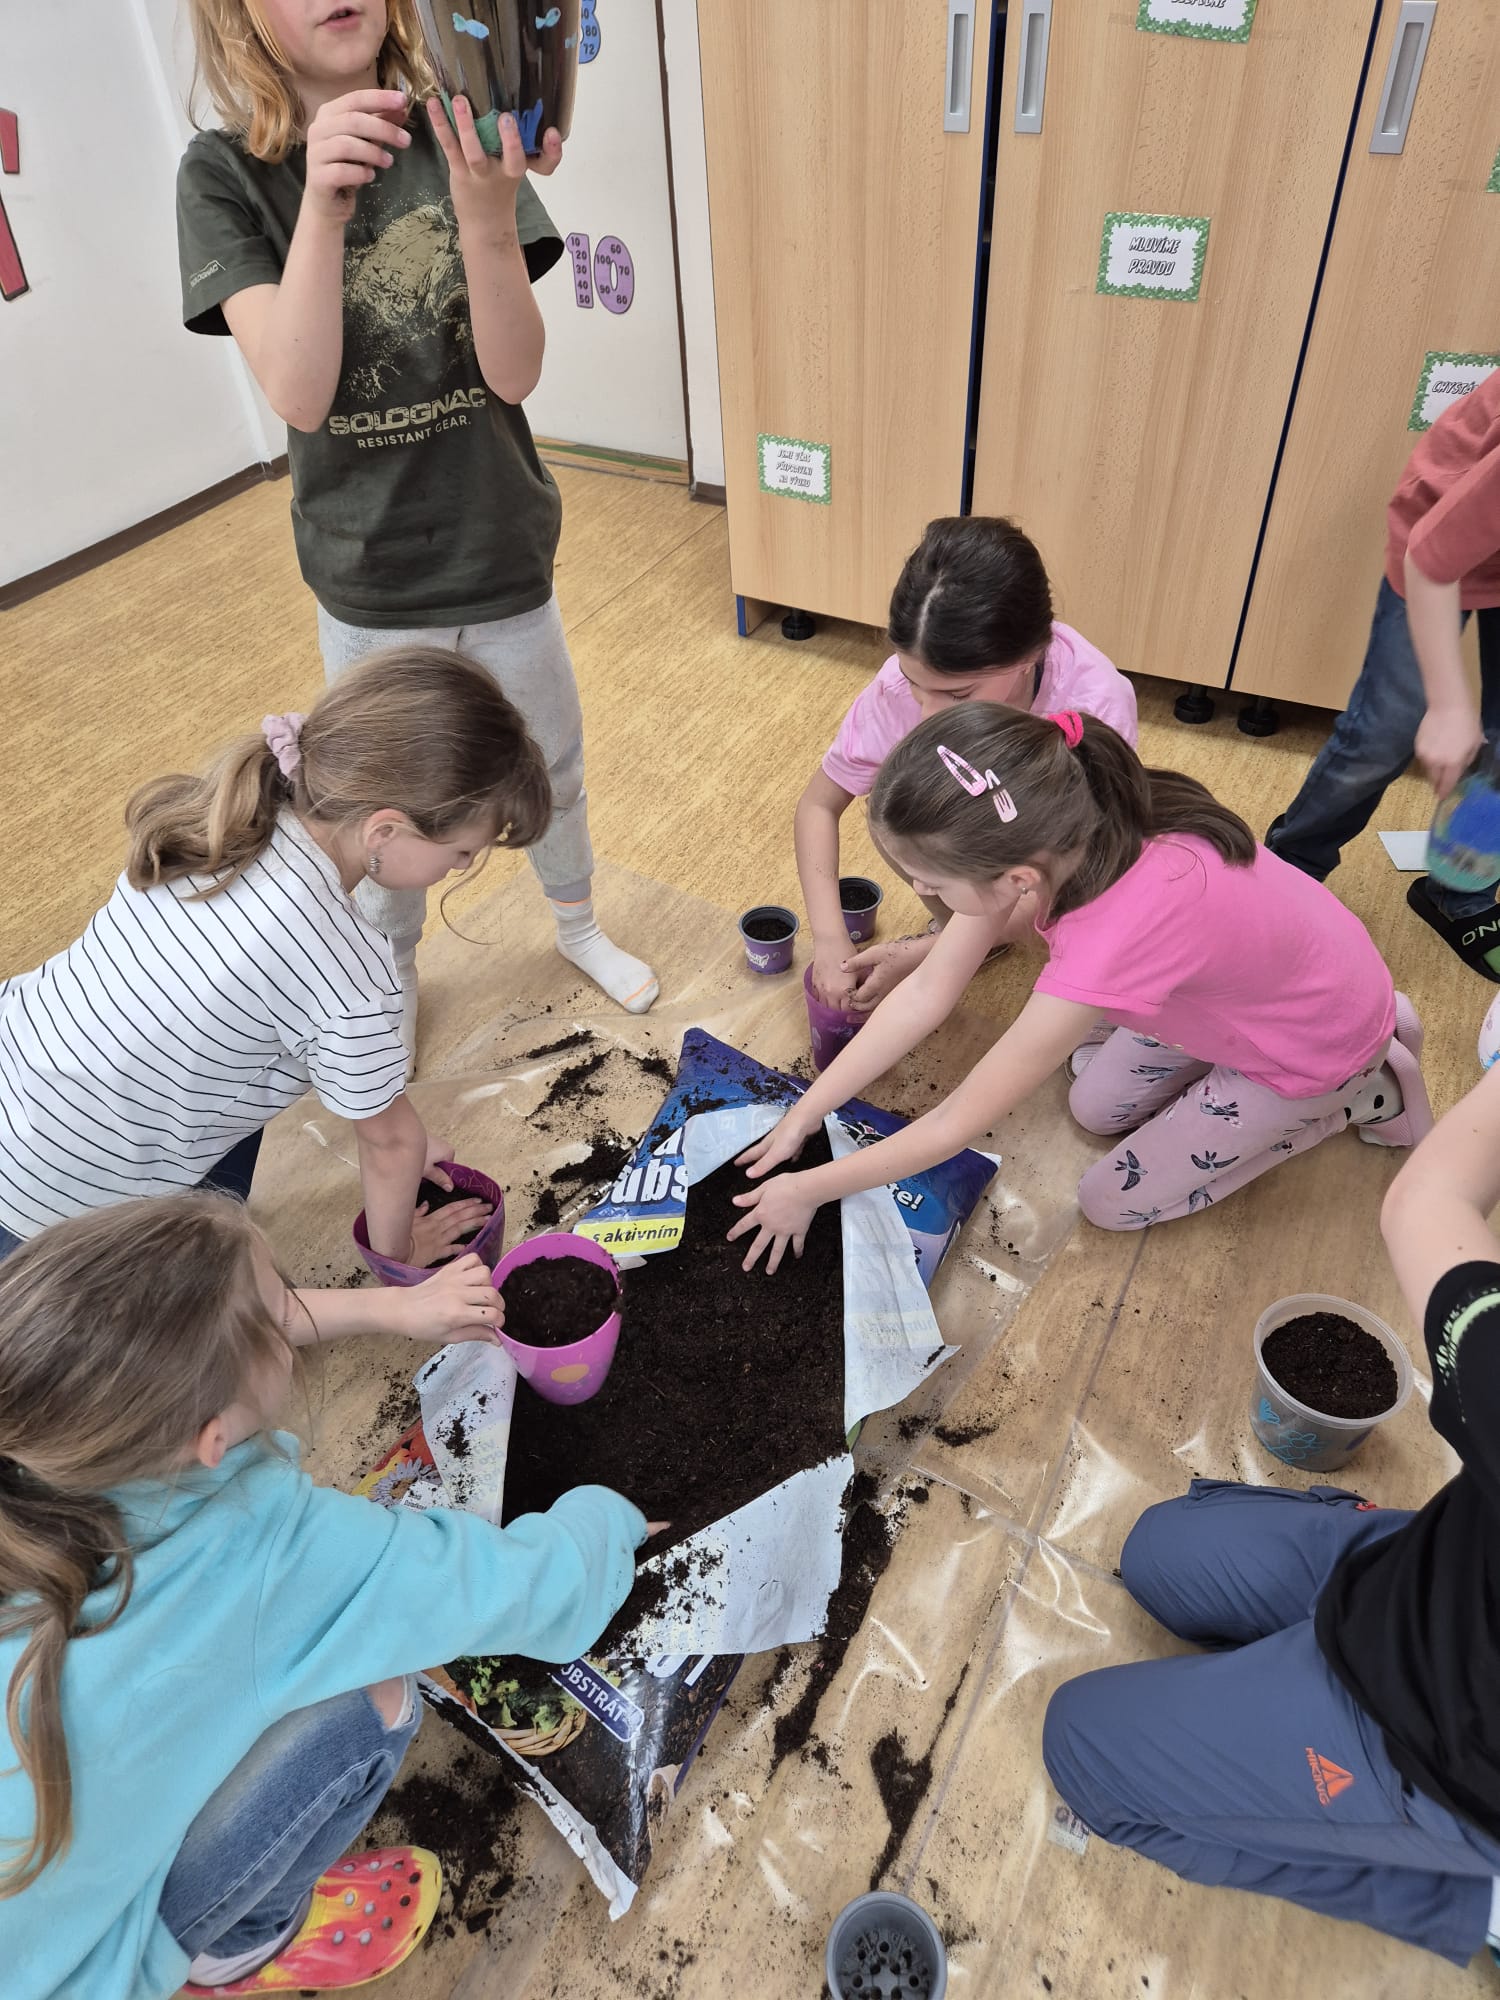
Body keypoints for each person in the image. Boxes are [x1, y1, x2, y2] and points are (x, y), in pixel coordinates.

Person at [0, 1194, 653, 1997]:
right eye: (281, 1317)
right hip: (82, 1971)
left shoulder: (37, 1448)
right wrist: (608, 1518)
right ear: (212, 1440)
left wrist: (395, 1307)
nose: (295, 1318)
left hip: (39, 1912)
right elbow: (526, 1593)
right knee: (377, 1698)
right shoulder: (270, 1551)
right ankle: (241, 1944)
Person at [176, 0, 657, 1037]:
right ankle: (388, 966)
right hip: (370, 578)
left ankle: (577, 924)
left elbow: (515, 372)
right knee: (380, 803)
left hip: (501, 547)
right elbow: (300, 395)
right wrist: (322, 208)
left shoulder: (459, 124)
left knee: (549, 762)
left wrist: (487, 214)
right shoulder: (223, 175)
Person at [1040, 1056, 1500, 1970]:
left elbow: (1428, 1201)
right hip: (1427, 1567)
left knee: (1080, 1746)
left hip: (1434, 1736)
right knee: (1159, 1550)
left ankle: (1468, 1900)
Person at [730, 706, 1430, 1267]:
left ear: (1016, 881)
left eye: (929, 881)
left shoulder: (1108, 939)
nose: (917, 888)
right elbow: (921, 997)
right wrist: (805, 1114)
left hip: (1310, 1049)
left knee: (1109, 1203)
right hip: (1267, 991)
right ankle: (1337, 1038)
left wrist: (808, 1190)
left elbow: (954, 1123)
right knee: (1093, 1105)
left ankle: (1363, 1087)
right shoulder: (1054, 822)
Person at [0, 648, 547, 1266]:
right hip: (61, 1206)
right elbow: (390, 1144)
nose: (462, 867)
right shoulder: (346, 968)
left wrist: (391, 1121)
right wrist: (400, 1250)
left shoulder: (221, 820)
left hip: (22, 1074)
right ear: (385, 831)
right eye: (463, 852)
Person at [796, 516, 1136, 1012]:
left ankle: (975, 938)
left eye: (958, 694)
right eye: (915, 684)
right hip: (987, 851)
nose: (929, 714)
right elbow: (819, 806)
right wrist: (829, 938)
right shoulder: (898, 689)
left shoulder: (1093, 703)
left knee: (1089, 947)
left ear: (1030, 655)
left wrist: (927, 955)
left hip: (1062, 866)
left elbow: (1090, 874)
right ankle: (965, 931)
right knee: (893, 806)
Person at [1266, 369, 1500, 977]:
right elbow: (1431, 558)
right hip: (1444, 530)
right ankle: (1291, 867)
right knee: (1385, 733)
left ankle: (1458, 889)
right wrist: (1449, 706)